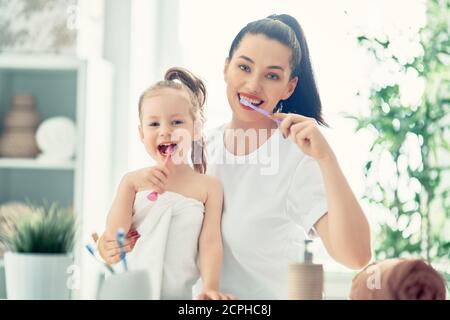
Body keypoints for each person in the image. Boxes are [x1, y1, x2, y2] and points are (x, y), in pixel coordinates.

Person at [200, 13, 372, 299]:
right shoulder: (200, 149)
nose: (253, 85)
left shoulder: (294, 157)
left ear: (289, 86)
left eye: (271, 75)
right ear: (226, 68)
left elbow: (356, 256)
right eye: (244, 67)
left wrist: (327, 158)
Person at [98, 67, 234, 300]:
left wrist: (210, 287)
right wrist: (128, 185)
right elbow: (115, 236)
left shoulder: (208, 187)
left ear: (196, 128)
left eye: (177, 122)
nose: (165, 132)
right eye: (154, 124)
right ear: (141, 134)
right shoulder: (133, 183)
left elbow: (210, 242)